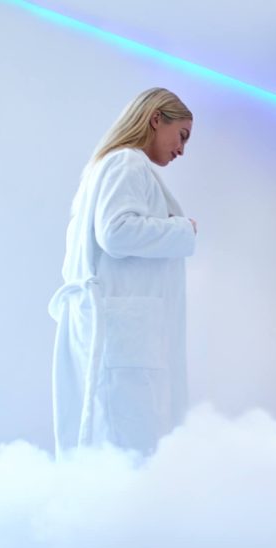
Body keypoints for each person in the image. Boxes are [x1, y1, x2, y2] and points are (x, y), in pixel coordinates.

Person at [48, 87, 198, 457]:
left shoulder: (105, 169)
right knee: (131, 449)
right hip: (124, 337)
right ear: (155, 118)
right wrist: (183, 229)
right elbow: (116, 232)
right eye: (182, 136)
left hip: (116, 331)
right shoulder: (127, 162)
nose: (182, 150)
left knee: (112, 446)